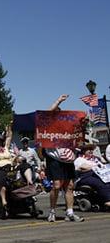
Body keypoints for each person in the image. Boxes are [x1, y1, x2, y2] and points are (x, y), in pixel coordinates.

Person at [43, 94, 84, 223]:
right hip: (54, 158)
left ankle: (70, 212)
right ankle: (52, 211)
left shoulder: (68, 128)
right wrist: (58, 101)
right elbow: (46, 115)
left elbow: (78, 137)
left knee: (69, 186)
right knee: (56, 186)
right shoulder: (48, 127)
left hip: (68, 159)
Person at [74, 144, 110, 209]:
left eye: (91, 149)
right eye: (89, 150)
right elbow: (81, 168)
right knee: (100, 183)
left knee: (107, 180)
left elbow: (103, 165)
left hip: (99, 174)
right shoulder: (79, 159)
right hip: (85, 176)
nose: (91, 151)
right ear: (83, 151)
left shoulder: (95, 159)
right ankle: (107, 200)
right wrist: (94, 167)